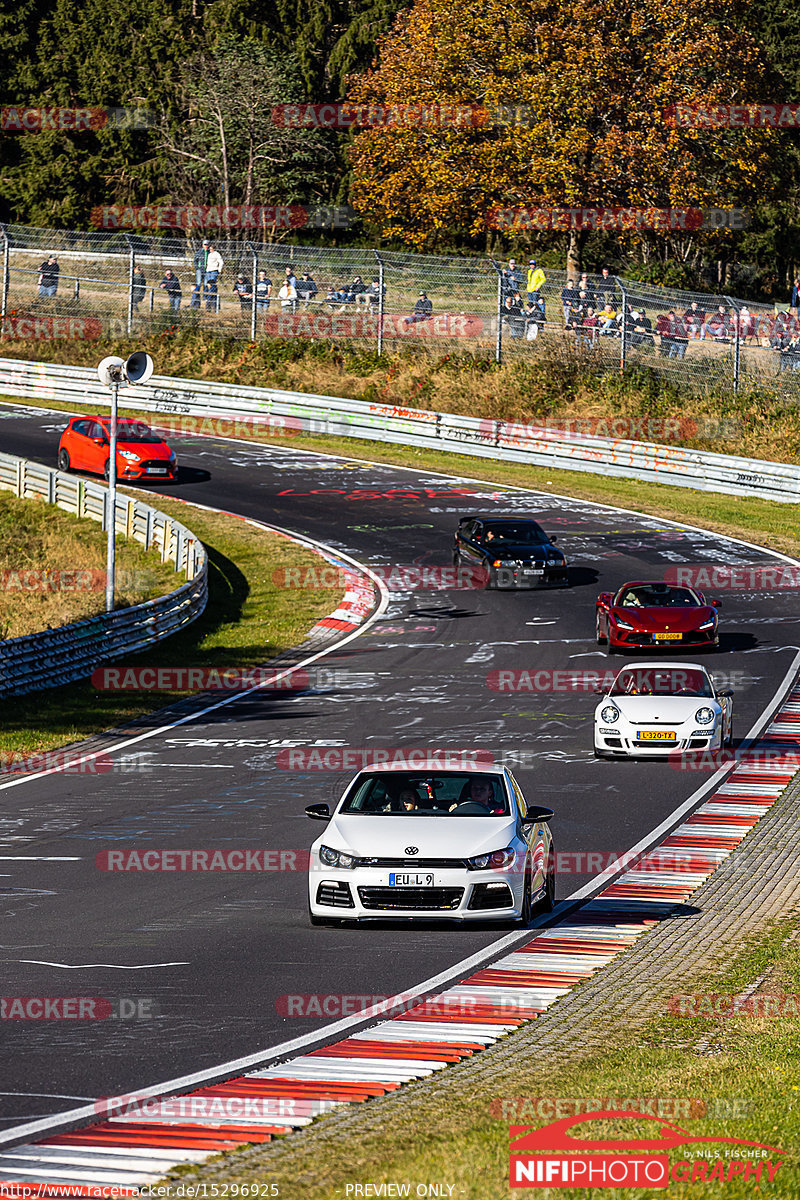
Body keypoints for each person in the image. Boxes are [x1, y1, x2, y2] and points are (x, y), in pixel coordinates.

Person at [204, 243, 223, 311]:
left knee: (212, 286)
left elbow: (221, 262)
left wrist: (219, 270)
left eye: (211, 248)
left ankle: (208, 301)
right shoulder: (209, 254)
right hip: (208, 271)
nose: (210, 249)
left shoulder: (216, 254)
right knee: (209, 286)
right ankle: (213, 302)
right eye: (210, 248)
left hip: (214, 270)